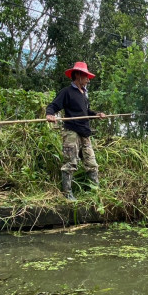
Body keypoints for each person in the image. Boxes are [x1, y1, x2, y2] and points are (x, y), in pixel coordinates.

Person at [46, 61, 106, 199]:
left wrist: (97, 114)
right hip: (71, 131)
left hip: (84, 132)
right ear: (78, 75)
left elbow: (86, 112)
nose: (88, 80)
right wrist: (50, 114)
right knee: (70, 163)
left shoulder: (84, 94)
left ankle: (96, 193)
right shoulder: (67, 92)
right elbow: (53, 106)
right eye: (86, 76)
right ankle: (67, 193)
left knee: (91, 163)